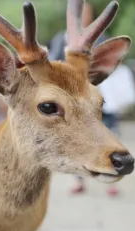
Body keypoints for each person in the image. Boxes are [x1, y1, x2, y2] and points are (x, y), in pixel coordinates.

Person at [48, 1, 120, 197]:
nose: (80, 17)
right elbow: (52, 63)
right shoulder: (60, 38)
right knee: (76, 137)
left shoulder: (102, 38)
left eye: (84, 13)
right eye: (77, 13)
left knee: (109, 132)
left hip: (99, 95)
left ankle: (112, 178)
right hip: (73, 99)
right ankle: (78, 179)